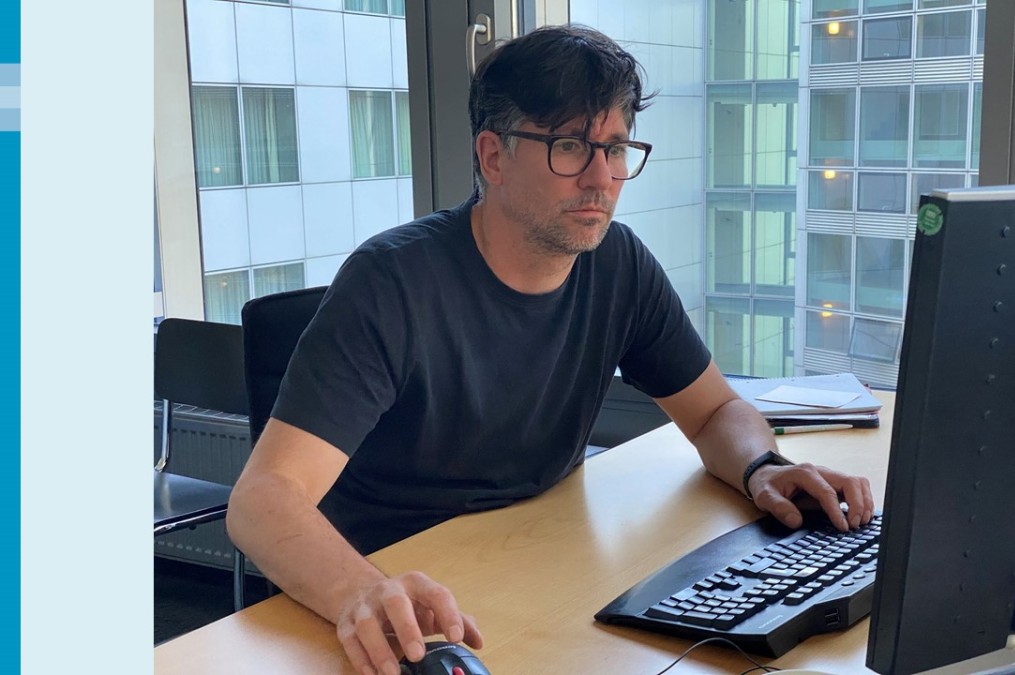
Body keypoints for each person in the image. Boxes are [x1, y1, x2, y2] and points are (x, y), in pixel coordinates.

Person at [227, 24, 873, 675]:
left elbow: (711, 412)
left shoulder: (618, 264)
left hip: (540, 564)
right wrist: (360, 591)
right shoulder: (393, 284)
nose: (601, 179)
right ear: (493, 156)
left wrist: (762, 465)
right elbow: (263, 498)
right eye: (570, 146)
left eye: (616, 149)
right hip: (401, 601)